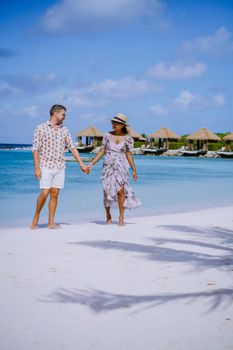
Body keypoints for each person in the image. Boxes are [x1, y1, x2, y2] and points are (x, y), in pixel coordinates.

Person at [31, 104, 88, 229]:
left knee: (55, 193)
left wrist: (81, 164)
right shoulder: (40, 128)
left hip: (60, 166)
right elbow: (35, 149)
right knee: (45, 192)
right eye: (63, 114)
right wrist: (37, 167)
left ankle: (51, 222)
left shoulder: (64, 130)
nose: (64, 117)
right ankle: (36, 217)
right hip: (45, 165)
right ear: (55, 113)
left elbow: (72, 148)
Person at [87, 113, 141, 226]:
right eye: (112, 122)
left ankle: (121, 217)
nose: (113, 124)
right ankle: (108, 215)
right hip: (108, 166)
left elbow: (129, 154)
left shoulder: (128, 138)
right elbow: (102, 151)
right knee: (107, 192)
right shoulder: (107, 135)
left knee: (121, 192)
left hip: (121, 167)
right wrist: (91, 164)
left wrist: (134, 170)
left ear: (122, 125)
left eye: (116, 123)